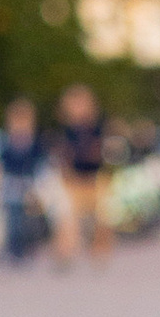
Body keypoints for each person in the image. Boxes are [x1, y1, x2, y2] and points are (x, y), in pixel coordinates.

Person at [50, 83, 112, 261]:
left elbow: (105, 153)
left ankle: (99, 251)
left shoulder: (99, 127)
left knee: (102, 218)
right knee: (67, 218)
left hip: (96, 178)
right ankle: (65, 252)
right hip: (73, 179)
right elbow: (63, 156)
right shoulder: (65, 130)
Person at [0, 97, 49, 261]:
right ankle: (14, 250)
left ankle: (30, 247)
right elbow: (2, 164)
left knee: (30, 220)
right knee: (13, 220)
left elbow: (40, 165)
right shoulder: (6, 143)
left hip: (30, 184)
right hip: (12, 184)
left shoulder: (36, 143)